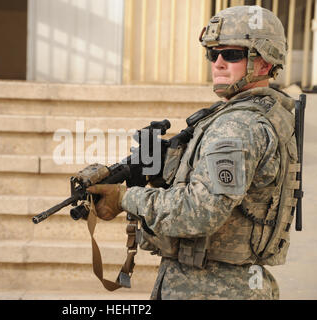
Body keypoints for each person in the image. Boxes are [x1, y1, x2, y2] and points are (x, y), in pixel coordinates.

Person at [87, 5, 300, 300]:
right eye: (214, 54)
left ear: (264, 63)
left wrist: (126, 198)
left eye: (233, 54)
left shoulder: (237, 126)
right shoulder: (255, 113)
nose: (219, 63)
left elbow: (200, 211)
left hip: (212, 287)